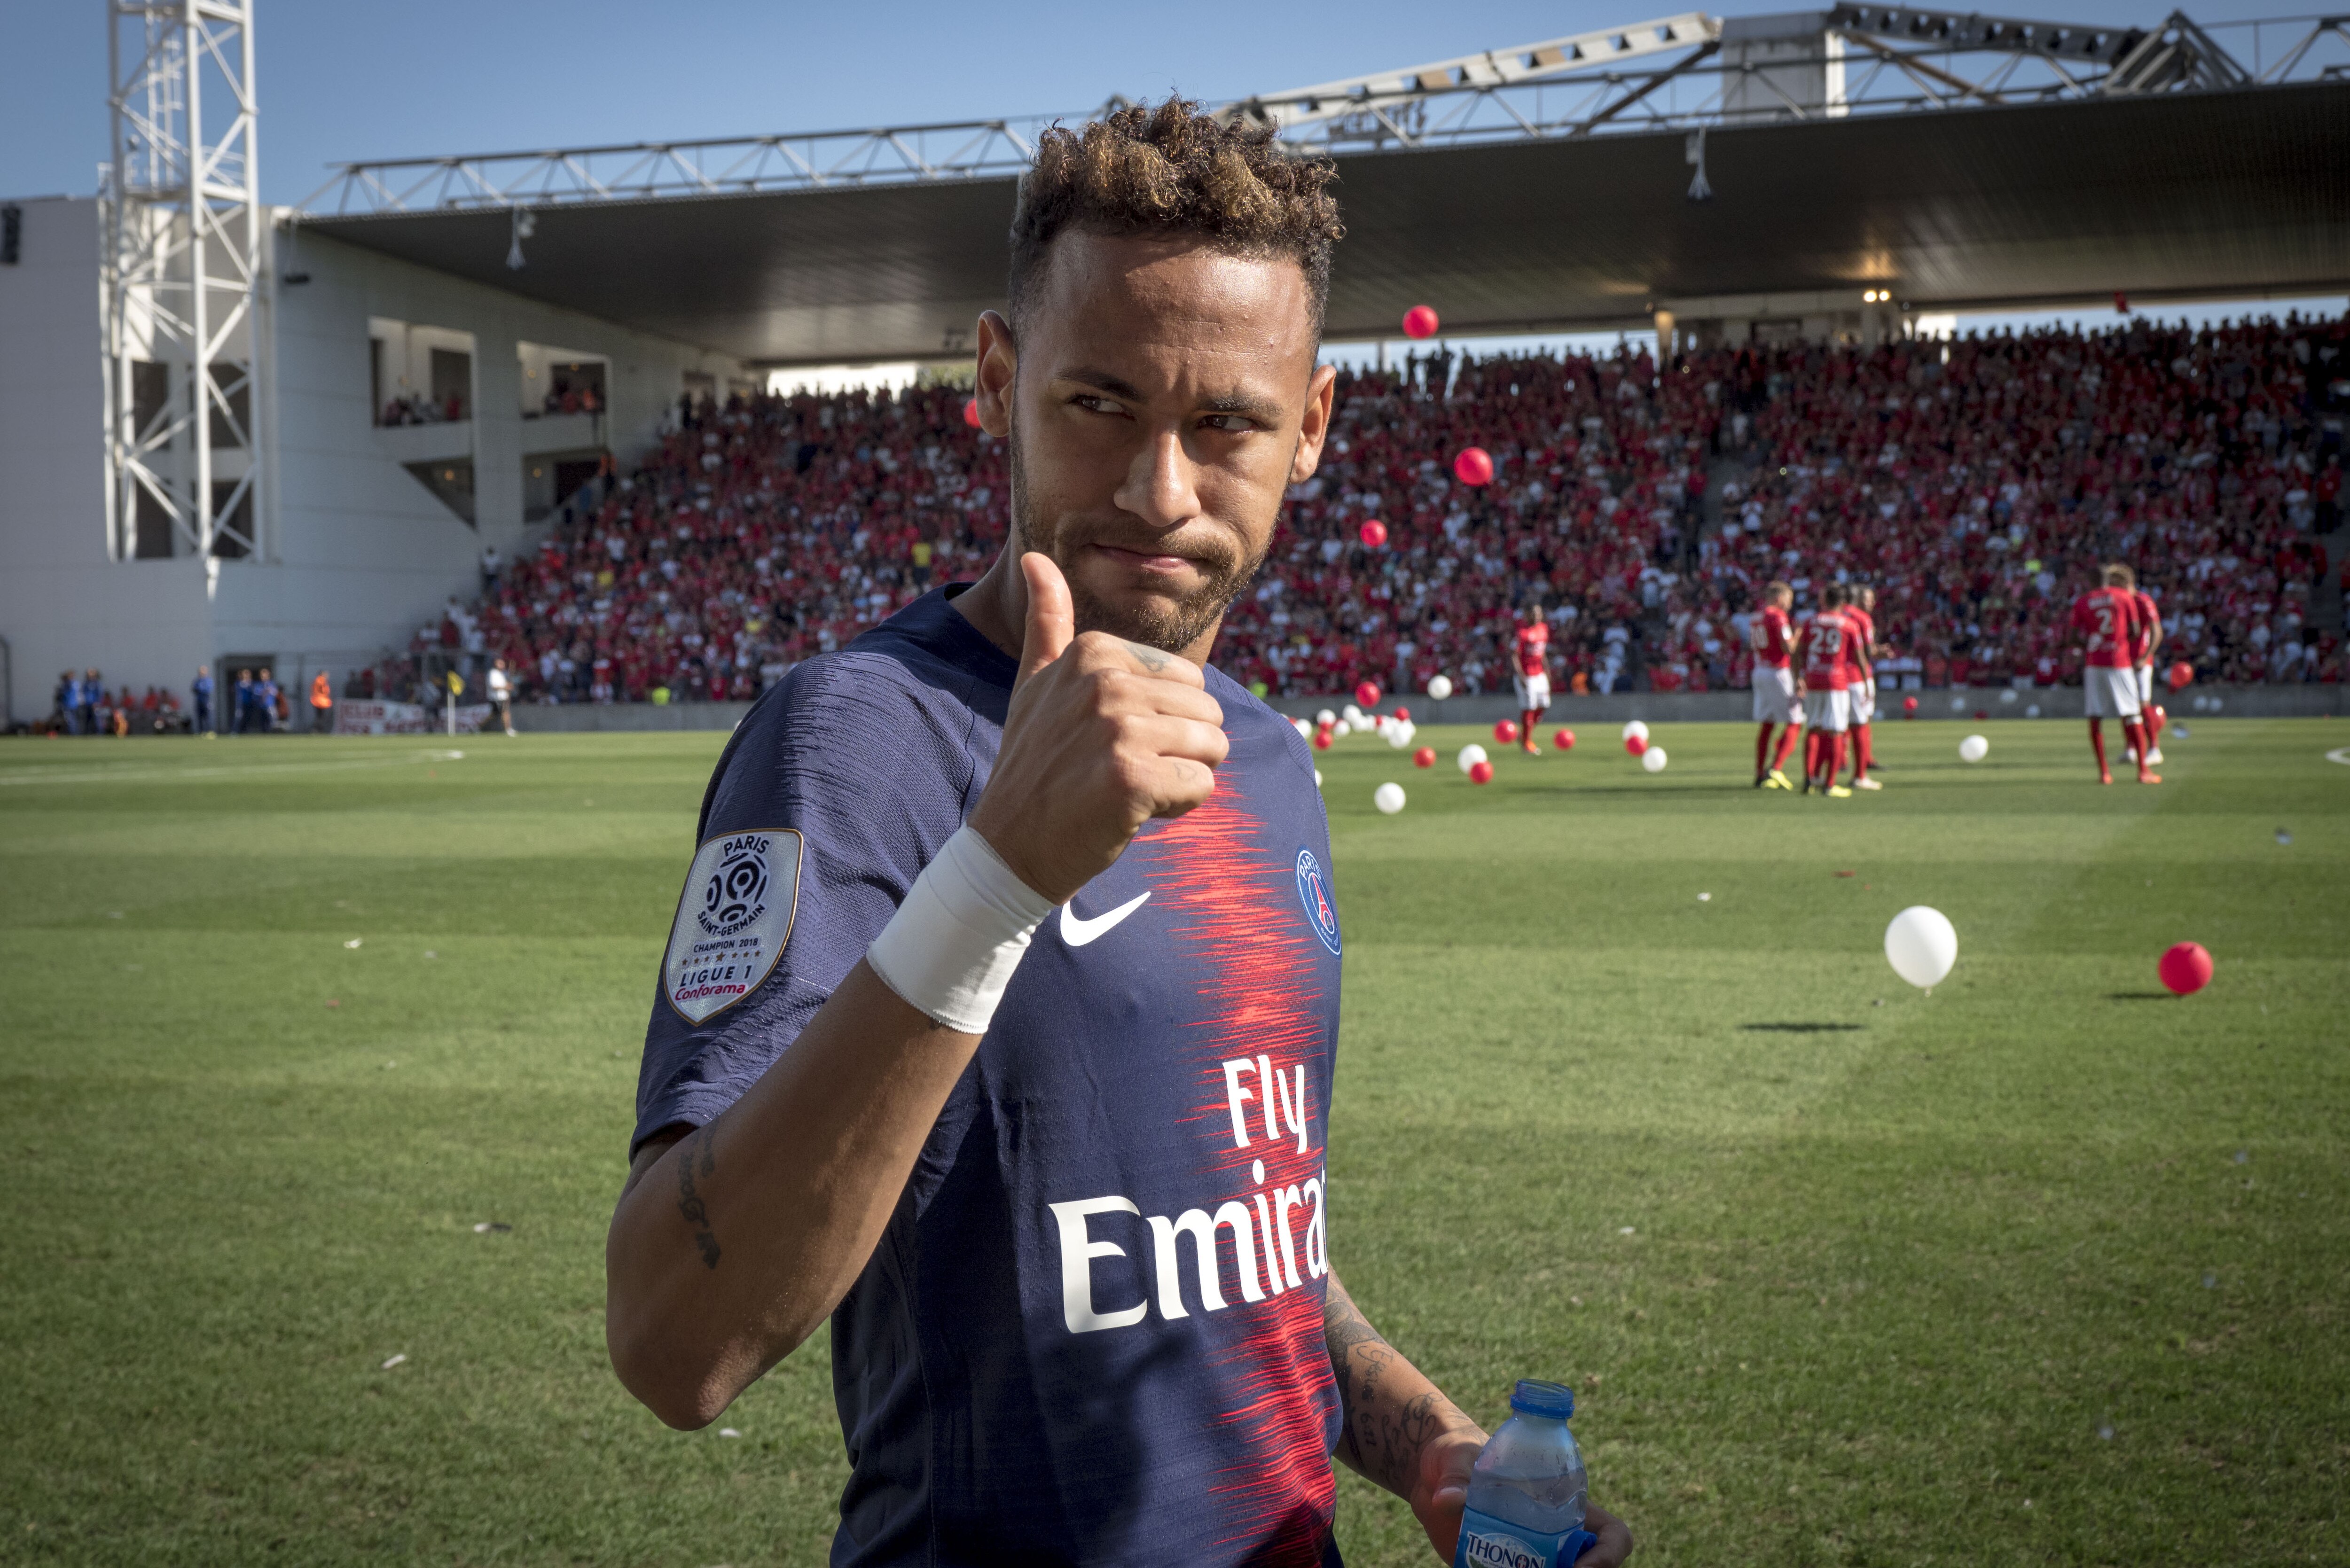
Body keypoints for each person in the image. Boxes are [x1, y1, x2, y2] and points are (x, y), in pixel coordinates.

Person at [603, 99, 1630, 1568]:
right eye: (1098, 403)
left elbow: (1240, 1240)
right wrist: (995, 877)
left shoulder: (1264, 757)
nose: (1160, 490)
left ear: (1311, 428)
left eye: (1228, 424)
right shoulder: (859, 738)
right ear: (997, 380)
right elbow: (671, 1338)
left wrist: (1431, 1450)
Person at [2072, 564, 2157, 785]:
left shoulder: (2083, 601)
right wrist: (2117, 643)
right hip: (2120, 662)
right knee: (2132, 714)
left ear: (2090, 581)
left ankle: (2104, 773)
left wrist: (2092, 644)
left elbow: (2072, 636)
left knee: (2095, 717)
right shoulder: (2123, 596)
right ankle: (2143, 771)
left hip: (2094, 663)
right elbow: (2135, 630)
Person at [1797, 585, 1854, 798]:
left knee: (1813, 727)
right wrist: (1867, 683)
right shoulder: (1848, 623)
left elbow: (1798, 652)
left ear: (1823, 600)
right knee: (1836, 730)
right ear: (1842, 602)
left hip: (1813, 678)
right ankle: (1830, 784)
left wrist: (1799, 677)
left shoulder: (1810, 621)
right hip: (1836, 680)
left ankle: (1809, 778)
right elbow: (1859, 655)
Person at [1747, 580, 1802, 788]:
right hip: (1778, 672)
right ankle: (1776, 768)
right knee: (1795, 720)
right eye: (1788, 600)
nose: (1790, 605)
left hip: (1760, 670)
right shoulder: (1778, 616)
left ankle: (1760, 772)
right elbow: (1789, 648)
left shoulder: (1756, 617)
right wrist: (1798, 635)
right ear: (1779, 598)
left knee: (1767, 723)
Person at [2120, 566, 2165, 766]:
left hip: (2140, 661)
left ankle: (2154, 748)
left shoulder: (2143, 601)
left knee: (2143, 704)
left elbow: (2157, 631)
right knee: (2125, 706)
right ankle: (2131, 749)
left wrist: (2146, 657)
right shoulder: (2119, 602)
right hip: (2123, 662)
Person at [1841, 583, 1882, 791]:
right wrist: (1879, 652)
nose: (1872, 603)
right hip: (1857, 676)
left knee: (1832, 724)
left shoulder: (1832, 616)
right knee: (1861, 722)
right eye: (1868, 599)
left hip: (1834, 676)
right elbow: (1866, 651)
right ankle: (1860, 773)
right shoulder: (1861, 618)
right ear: (1857, 599)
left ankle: (1827, 770)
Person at [1511, 601, 1551, 755]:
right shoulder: (1522, 633)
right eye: (1534, 614)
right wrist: (1521, 676)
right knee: (1529, 708)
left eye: (1539, 613)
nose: (1537, 616)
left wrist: (1547, 670)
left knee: (1544, 705)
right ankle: (1527, 744)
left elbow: (1542, 653)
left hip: (1540, 674)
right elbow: (1514, 655)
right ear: (1527, 615)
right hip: (1527, 676)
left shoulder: (1543, 629)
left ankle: (1523, 736)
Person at [486, 656, 516, 736]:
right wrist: (506, 687)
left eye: (502, 664)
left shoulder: (502, 674)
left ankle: (478, 727)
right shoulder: (493, 673)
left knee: (496, 714)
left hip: (503, 697)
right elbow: (494, 687)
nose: (502, 665)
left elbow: (505, 685)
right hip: (496, 698)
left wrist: (509, 686)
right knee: (505, 713)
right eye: (500, 663)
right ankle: (508, 729)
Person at [191, 664, 214, 736]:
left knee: (208, 717)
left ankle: (210, 732)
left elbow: (208, 690)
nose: (201, 673)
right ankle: (201, 732)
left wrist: (200, 690)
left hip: (206, 701)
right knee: (199, 717)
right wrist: (199, 690)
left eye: (203, 671)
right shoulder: (197, 681)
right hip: (199, 701)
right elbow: (194, 689)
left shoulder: (209, 680)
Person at [310, 669, 335, 733]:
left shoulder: (317, 680)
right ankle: (318, 729)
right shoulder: (321, 680)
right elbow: (323, 691)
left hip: (317, 701)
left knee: (319, 716)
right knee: (321, 717)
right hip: (321, 702)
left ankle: (317, 729)